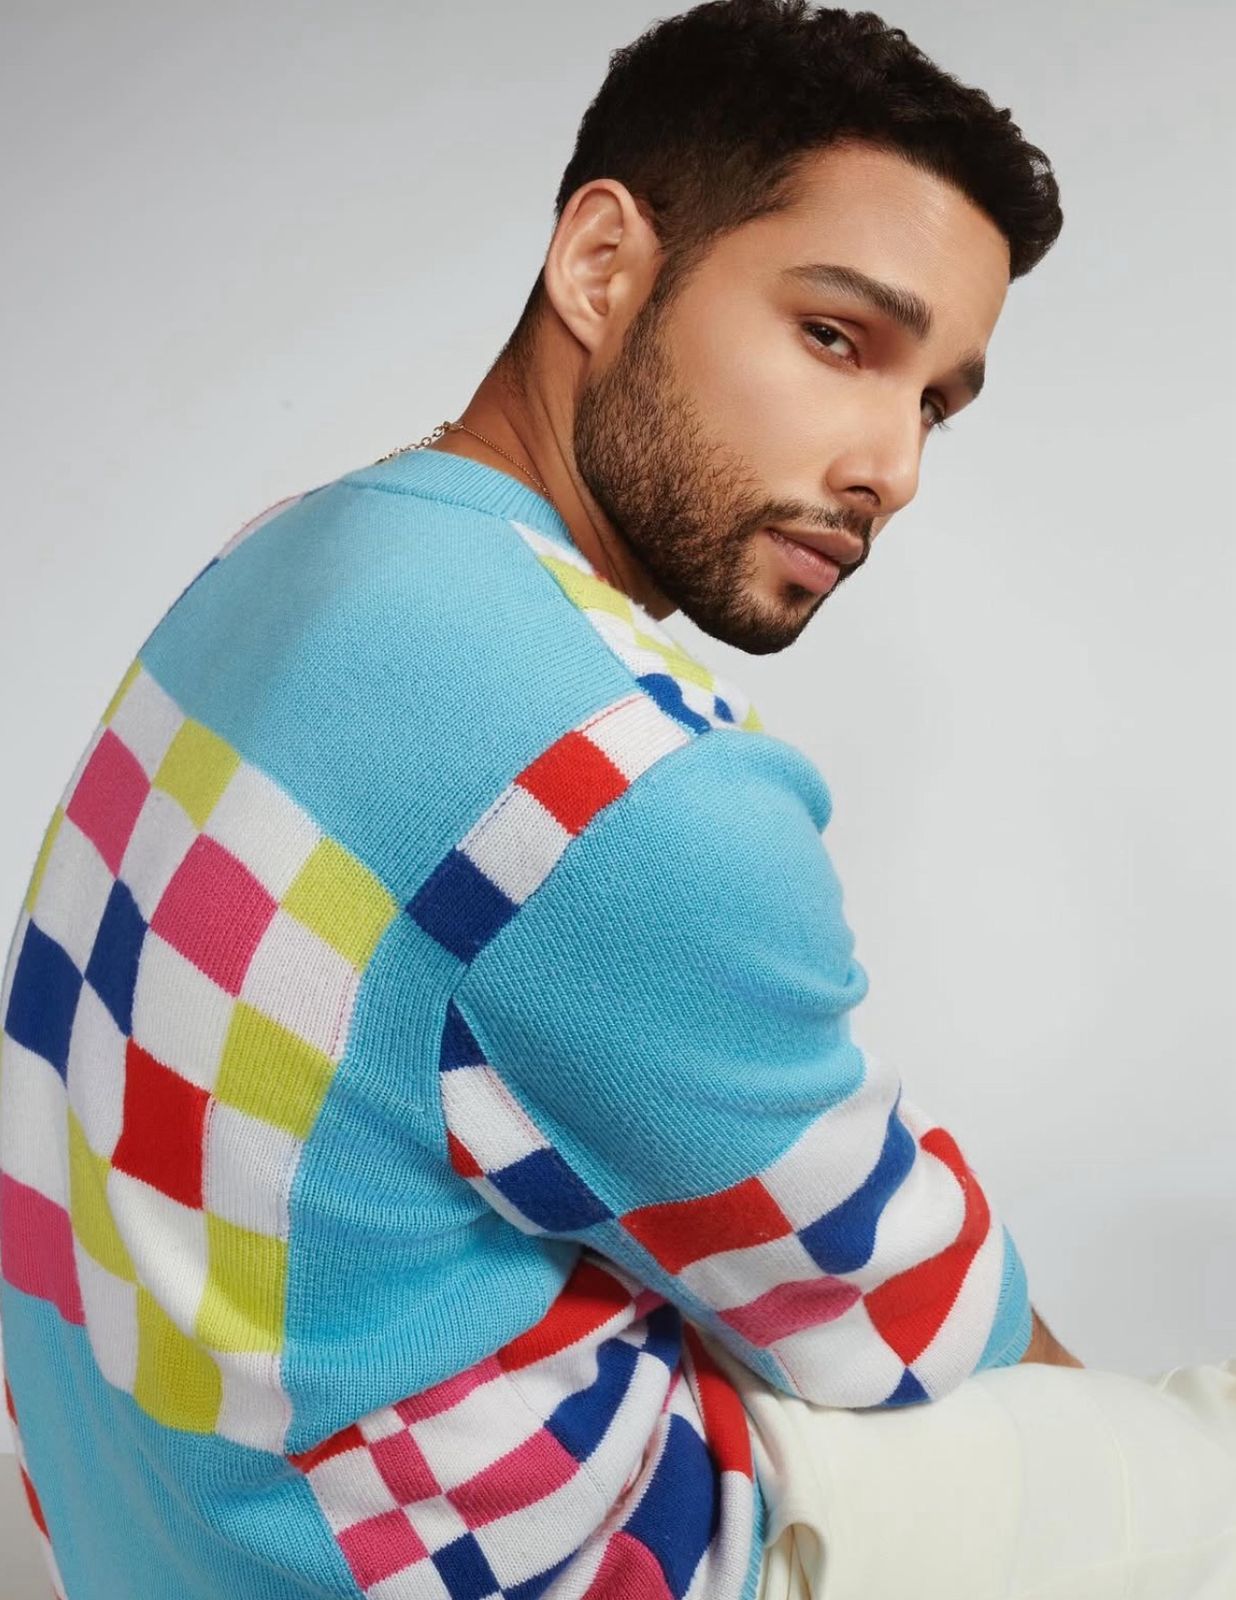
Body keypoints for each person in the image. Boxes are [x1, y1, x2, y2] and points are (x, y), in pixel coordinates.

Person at [1, 1, 1232, 1596]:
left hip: (132, 1529)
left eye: (934, 400)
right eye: (838, 338)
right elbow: (908, 1331)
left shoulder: (289, 551)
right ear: (601, 266)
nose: (892, 467)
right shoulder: (625, 783)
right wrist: (1130, 1470)